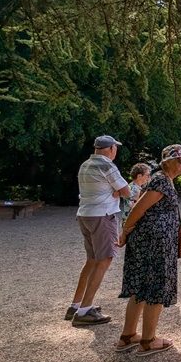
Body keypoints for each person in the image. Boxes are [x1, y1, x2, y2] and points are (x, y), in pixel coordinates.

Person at [115, 144, 181, 356]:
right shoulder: (160, 180)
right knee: (155, 288)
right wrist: (125, 232)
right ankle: (148, 340)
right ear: (167, 162)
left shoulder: (161, 180)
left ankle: (128, 336)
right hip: (154, 244)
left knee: (141, 288)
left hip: (152, 242)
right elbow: (139, 208)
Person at [67, 135, 129, 326]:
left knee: (92, 260)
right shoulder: (107, 165)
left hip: (85, 213)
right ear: (111, 149)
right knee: (104, 259)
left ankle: (76, 305)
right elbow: (126, 191)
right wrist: (117, 192)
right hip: (103, 215)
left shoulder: (85, 165)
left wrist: (115, 191)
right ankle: (85, 310)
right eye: (115, 148)